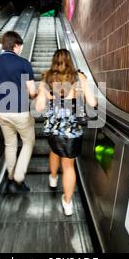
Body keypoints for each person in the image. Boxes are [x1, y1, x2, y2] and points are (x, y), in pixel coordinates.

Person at [36, 49, 97, 216]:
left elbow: (39, 107)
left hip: (54, 129)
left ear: (53, 60)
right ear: (70, 60)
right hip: (72, 130)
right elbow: (92, 102)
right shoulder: (79, 77)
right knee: (69, 166)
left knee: (55, 151)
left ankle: (53, 179)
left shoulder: (46, 77)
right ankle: (68, 203)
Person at [0, 31, 37, 193]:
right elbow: (32, 92)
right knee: (28, 142)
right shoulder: (23, 63)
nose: (21, 50)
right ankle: (18, 176)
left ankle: (10, 177)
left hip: (1, 112)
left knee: (10, 144)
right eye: (20, 47)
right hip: (20, 112)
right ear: (15, 45)